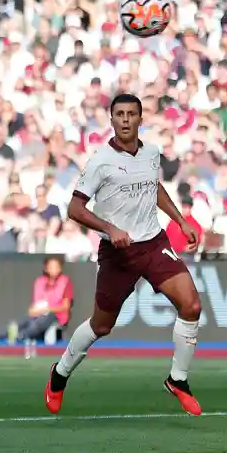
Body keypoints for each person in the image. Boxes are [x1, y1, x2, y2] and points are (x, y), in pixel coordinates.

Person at [45, 94, 204, 417]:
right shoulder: (101, 160)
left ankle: (178, 379)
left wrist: (181, 220)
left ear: (140, 118)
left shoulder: (151, 153)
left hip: (152, 244)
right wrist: (109, 228)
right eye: (120, 114)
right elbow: (74, 208)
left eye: (132, 113)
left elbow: (153, 187)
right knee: (101, 326)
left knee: (192, 305)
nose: (126, 119)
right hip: (117, 253)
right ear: (112, 119)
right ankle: (60, 373)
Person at [18, 256, 72, 340]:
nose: (54, 269)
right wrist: (32, 310)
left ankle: (22, 337)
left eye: (56, 267)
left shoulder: (65, 281)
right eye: (51, 267)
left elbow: (65, 307)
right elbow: (35, 304)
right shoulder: (40, 281)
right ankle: (1, 337)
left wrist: (47, 310)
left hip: (56, 316)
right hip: (39, 314)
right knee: (24, 322)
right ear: (46, 268)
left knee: (40, 322)